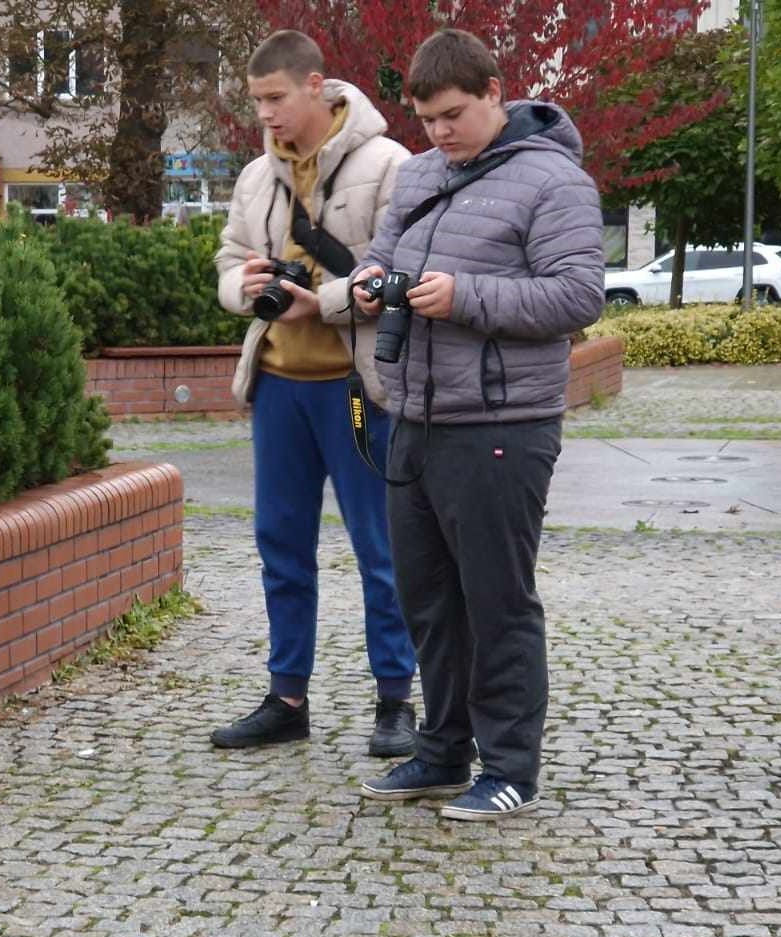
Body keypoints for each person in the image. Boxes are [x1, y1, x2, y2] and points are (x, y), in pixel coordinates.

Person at [354, 28, 604, 819]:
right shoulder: (422, 173)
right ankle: (439, 750)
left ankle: (508, 768)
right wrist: (368, 281)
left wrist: (462, 295)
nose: (439, 134)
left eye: (453, 115)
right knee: (426, 600)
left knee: (496, 598)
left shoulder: (553, 181)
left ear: (495, 90)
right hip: (415, 414)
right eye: (426, 120)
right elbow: (383, 251)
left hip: (503, 421)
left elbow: (577, 297)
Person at [211, 29, 417, 756]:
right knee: (280, 546)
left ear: (315, 86)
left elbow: (398, 276)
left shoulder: (390, 165)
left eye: (274, 98)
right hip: (276, 386)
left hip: (355, 389)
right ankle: (286, 696)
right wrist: (249, 286)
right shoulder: (254, 176)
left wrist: (321, 302)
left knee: (380, 547)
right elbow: (229, 261)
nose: (264, 113)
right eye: (256, 100)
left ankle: (396, 699)